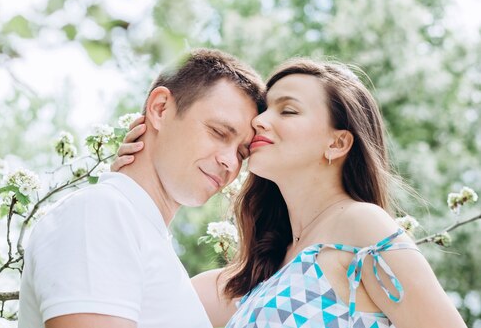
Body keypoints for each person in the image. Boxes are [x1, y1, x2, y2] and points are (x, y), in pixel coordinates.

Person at [115, 58, 467, 327]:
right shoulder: (249, 280)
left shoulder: (360, 228)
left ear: (337, 142)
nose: (259, 121)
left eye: (288, 110)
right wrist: (136, 173)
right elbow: (131, 296)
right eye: (266, 109)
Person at [17, 48, 265, 328]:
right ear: (160, 109)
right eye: (218, 132)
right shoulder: (101, 212)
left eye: (242, 154)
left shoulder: (143, 235)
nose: (230, 162)